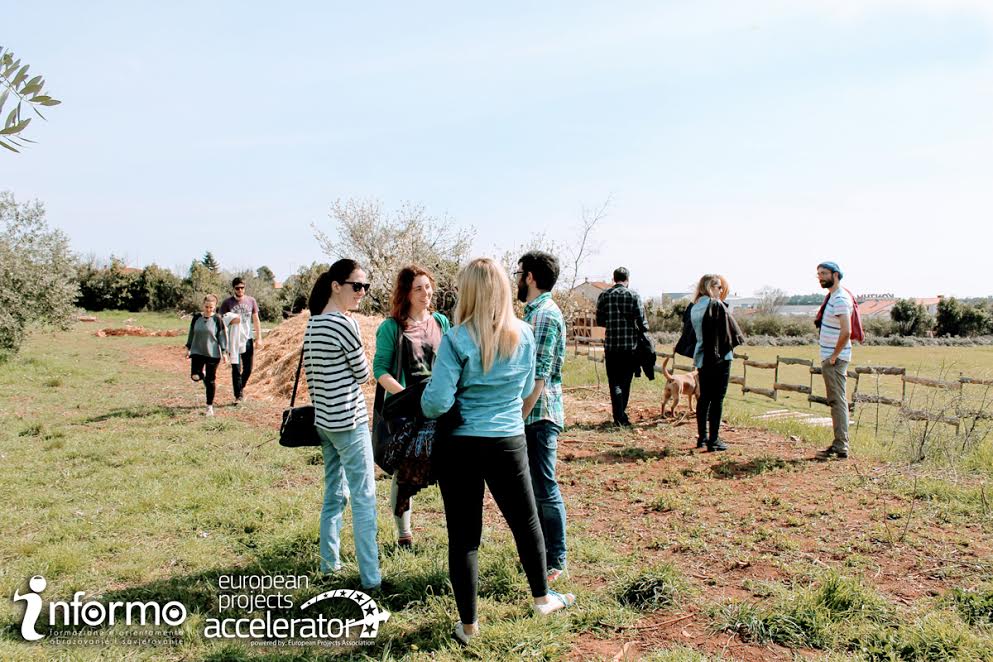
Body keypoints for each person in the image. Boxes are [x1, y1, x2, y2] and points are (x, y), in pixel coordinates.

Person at [421, 258, 575, 645]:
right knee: (526, 522)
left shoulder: (455, 339)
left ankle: (469, 627)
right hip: (508, 440)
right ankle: (542, 598)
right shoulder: (524, 334)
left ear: (468, 291)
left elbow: (437, 403)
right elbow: (525, 393)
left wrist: (426, 397)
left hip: (461, 444)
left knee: (465, 535)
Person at [303, 259, 380, 589]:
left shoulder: (313, 323)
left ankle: (329, 564)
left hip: (325, 420)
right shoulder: (344, 325)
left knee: (334, 494)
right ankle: (371, 577)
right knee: (364, 496)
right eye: (357, 286)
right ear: (337, 285)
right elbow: (364, 374)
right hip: (349, 420)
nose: (362, 293)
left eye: (365, 287)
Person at [373, 265, 451, 549]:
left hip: (441, 406)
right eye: (418, 288)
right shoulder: (392, 327)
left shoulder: (442, 322)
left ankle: (455, 531)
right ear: (405, 292)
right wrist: (406, 395)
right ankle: (403, 535)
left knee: (449, 468)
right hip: (409, 410)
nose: (425, 293)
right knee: (404, 474)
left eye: (428, 287)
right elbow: (380, 369)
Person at [516, 251, 568, 582]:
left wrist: (518, 416)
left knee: (545, 488)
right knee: (536, 488)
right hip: (532, 412)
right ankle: (543, 555)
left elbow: (540, 375)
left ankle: (556, 560)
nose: (517, 279)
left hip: (539, 413)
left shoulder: (544, 316)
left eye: (520, 273)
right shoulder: (533, 313)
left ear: (531, 277)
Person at [680, 275, 744, 452]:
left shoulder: (694, 307)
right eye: (719, 287)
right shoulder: (715, 305)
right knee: (717, 400)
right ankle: (714, 440)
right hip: (720, 358)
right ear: (710, 287)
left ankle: (702, 437)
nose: (721, 291)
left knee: (704, 398)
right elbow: (728, 334)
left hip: (702, 357)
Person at [596, 267, 650, 426]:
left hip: (611, 347)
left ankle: (618, 416)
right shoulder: (634, 295)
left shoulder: (604, 296)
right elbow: (642, 322)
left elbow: (600, 321)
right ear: (627, 279)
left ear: (614, 279)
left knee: (614, 382)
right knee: (625, 382)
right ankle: (621, 416)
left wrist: (612, 323)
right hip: (629, 348)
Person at [815, 261, 853, 459]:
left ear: (835, 274)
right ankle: (839, 444)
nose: (820, 277)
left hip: (835, 359)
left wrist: (834, 356)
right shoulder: (832, 297)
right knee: (835, 400)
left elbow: (847, 331)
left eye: (824, 273)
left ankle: (841, 446)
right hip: (830, 357)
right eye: (818, 274)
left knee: (837, 401)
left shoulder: (839, 298)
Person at [219, 277, 262, 403]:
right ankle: (238, 396)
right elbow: (222, 321)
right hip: (234, 340)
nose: (240, 290)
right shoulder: (227, 303)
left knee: (248, 369)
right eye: (237, 288)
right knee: (236, 368)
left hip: (248, 338)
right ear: (233, 289)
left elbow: (256, 319)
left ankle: (240, 387)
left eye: (242, 288)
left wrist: (259, 337)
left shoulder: (251, 301)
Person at [185, 295, 227, 416]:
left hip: (212, 354)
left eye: (211, 307)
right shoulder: (196, 318)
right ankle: (202, 374)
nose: (208, 309)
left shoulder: (217, 319)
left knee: (210, 381)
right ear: (203, 305)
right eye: (206, 306)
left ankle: (209, 406)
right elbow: (191, 333)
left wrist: (224, 352)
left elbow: (222, 337)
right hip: (197, 351)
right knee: (195, 376)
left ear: (215, 307)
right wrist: (188, 348)